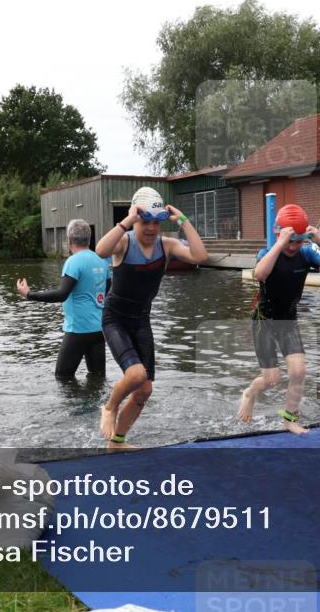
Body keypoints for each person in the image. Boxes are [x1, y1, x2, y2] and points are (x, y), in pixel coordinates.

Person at [95, 187, 208, 448]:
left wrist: (182, 221)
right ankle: (109, 407)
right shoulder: (124, 242)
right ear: (136, 219)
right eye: (146, 221)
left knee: (144, 390)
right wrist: (126, 222)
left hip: (141, 321)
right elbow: (101, 250)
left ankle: (117, 441)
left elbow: (200, 256)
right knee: (135, 375)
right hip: (115, 319)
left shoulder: (166, 245)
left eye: (157, 222)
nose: (151, 228)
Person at [238, 204, 320, 434]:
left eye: (299, 240)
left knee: (299, 372)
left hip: (288, 321)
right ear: (280, 235)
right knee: (271, 379)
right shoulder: (267, 253)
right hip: (263, 321)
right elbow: (260, 274)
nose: (295, 246)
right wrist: (279, 244)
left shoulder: (306, 254)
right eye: (291, 240)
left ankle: (289, 419)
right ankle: (249, 393)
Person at [16, 219, 110, 379]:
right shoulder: (102, 261)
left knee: (62, 378)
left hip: (78, 329)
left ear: (70, 240)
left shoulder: (73, 262)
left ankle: (74, 404)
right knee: (97, 378)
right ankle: (99, 404)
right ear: (89, 238)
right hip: (98, 330)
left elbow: (62, 294)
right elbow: (109, 292)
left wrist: (29, 295)